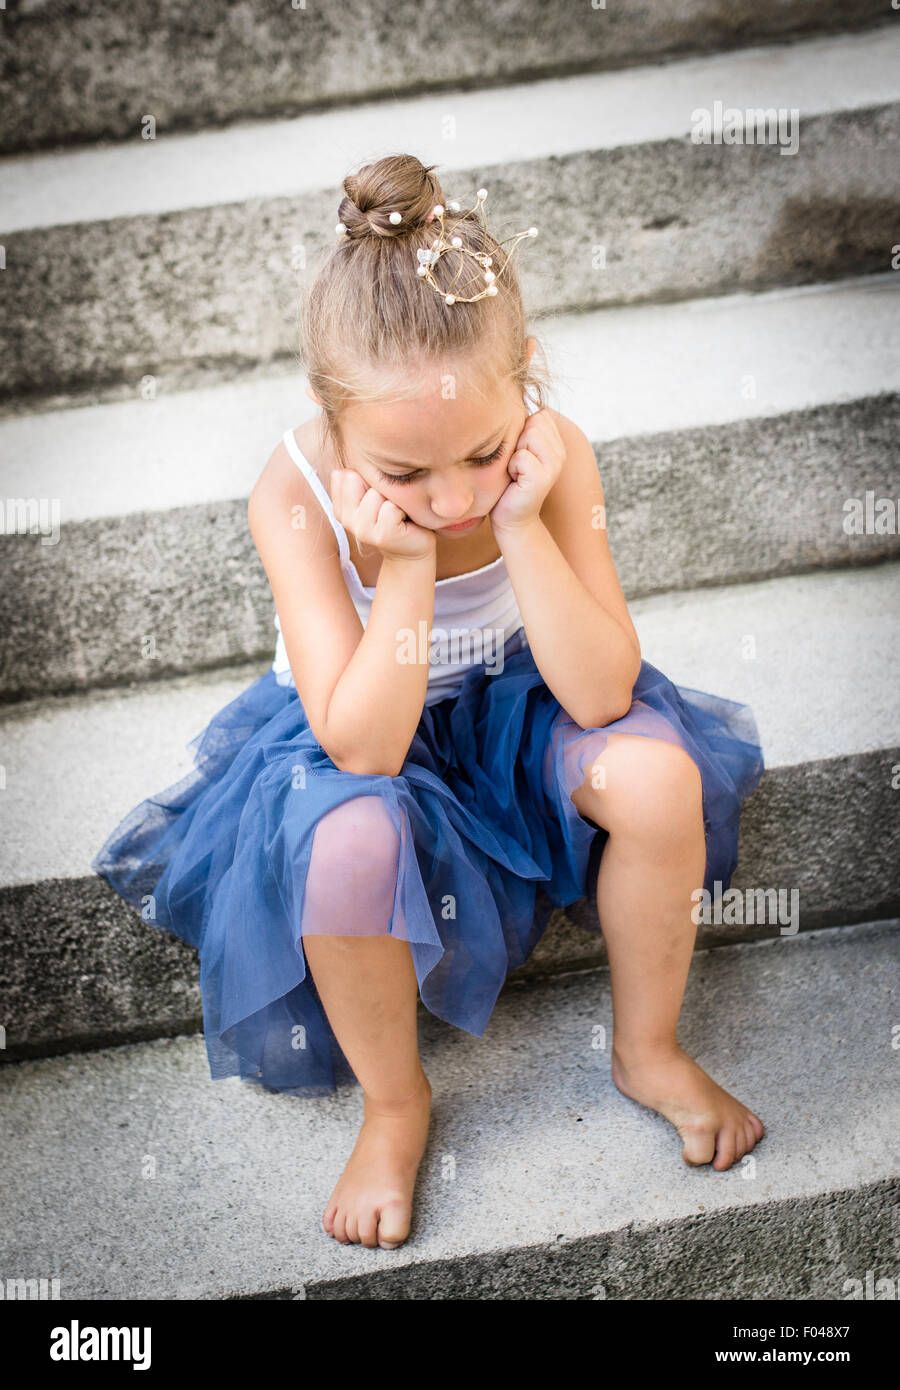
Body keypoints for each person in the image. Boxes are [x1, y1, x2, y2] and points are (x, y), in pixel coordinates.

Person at [92, 153, 766, 1255]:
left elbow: (599, 692)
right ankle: (397, 1102)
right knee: (351, 842)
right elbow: (359, 743)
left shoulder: (553, 462)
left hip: (522, 704)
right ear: (332, 421)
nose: (451, 495)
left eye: (484, 453)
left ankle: (649, 1047)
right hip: (358, 723)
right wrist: (403, 569)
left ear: (527, 385)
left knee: (655, 773)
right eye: (405, 473)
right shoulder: (295, 494)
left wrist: (520, 523)